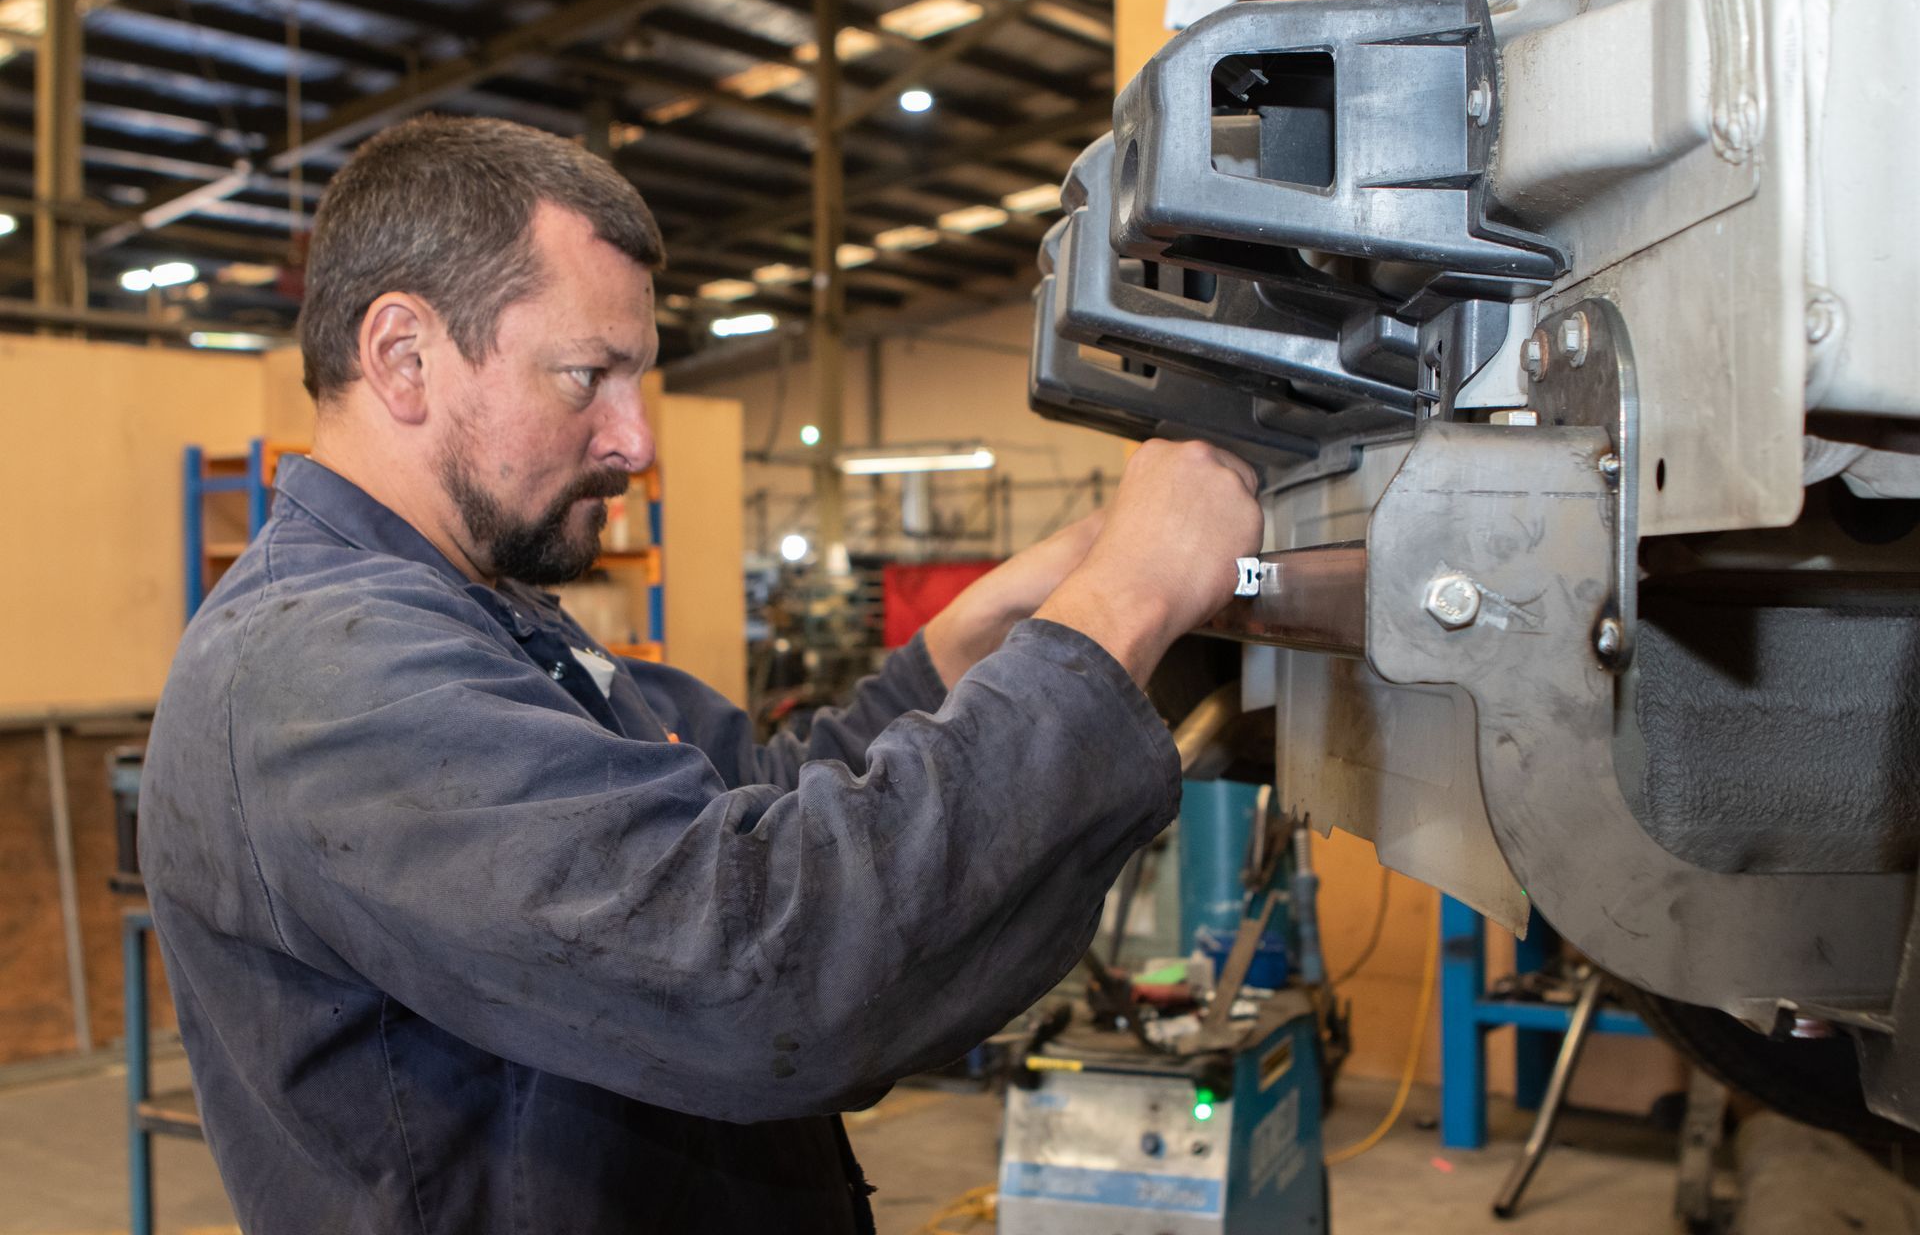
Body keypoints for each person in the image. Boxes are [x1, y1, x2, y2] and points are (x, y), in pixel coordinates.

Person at [138, 115, 1262, 1234]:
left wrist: (975, 640)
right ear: (402, 357)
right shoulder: (318, 672)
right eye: (589, 376)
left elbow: (745, 802)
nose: (635, 439)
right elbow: (756, 964)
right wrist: (1120, 610)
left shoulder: (489, 616)